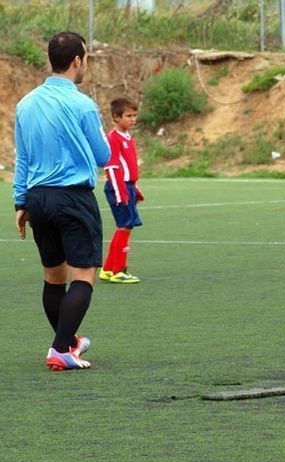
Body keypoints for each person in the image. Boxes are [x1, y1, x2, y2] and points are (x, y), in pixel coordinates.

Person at [13, 31, 111, 371]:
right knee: (84, 274)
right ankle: (60, 349)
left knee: (53, 277)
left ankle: (68, 342)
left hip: (38, 199)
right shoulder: (83, 104)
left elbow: (22, 159)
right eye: (86, 57)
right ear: (77, 61)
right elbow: (103, 155)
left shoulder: (25, 104)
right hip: (72, 197)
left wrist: (19, 202)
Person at [98, 96, 144, 284]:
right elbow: (113, 167)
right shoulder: (113, 138)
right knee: (125, 226)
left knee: (124, 226)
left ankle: (108, 269)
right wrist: (121, 192)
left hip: (128, 187)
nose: (132, 119)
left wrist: (135, 187)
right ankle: (119, 270)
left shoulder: (128, 137)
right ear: (116, 117)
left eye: (134, 115)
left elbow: (129, 167)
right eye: (128, 116)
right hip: (119, 188)